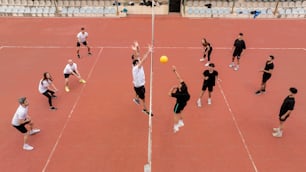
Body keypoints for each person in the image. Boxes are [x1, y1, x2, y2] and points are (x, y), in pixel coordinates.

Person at [132, 44, 153, 116]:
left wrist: (137, 48)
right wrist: (149, 51)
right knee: (143, 99)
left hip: (136, 85)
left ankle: (136, 98)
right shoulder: (136, 68)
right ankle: (145, 109)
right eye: (138, 61)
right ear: (136, 63)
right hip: (139, 87)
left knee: (138, 93)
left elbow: (138, 56)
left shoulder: (135, 65)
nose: (139, 61)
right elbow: (143, 59)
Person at [169, 66, 190, 133]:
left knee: (175, 113)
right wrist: (175, 71)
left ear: (180, 88)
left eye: (180, 85)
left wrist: (172, 88)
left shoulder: (178, 94)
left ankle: (176, 126)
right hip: (185, 102)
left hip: (179, 103)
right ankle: (181, 121)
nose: (179, 84)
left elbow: (169, 94)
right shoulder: (185, 87)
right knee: (180, 111)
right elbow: (179, 78)